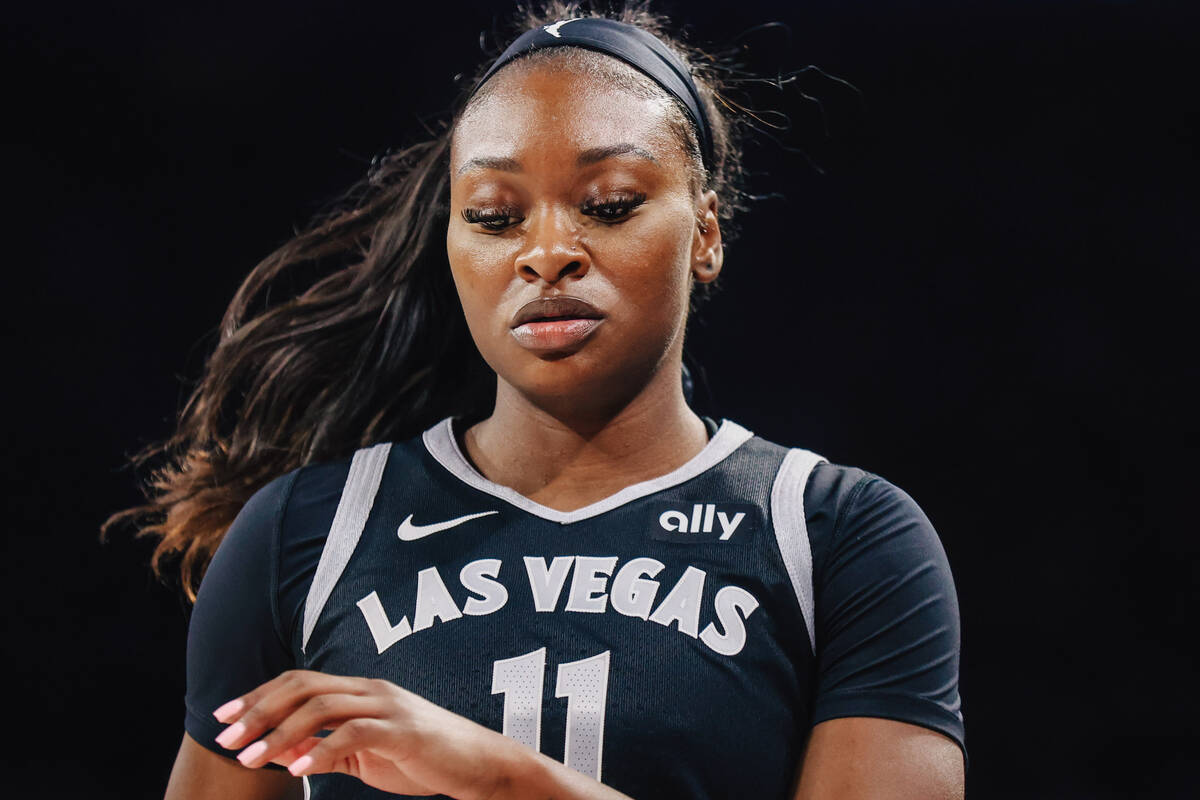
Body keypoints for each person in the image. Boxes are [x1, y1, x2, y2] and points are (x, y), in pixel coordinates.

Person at [107, 2, 966, 798]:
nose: (547, 252)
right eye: (492, 216)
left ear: (704, 232)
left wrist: (500, 778)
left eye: (609, 204)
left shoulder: (839, 537)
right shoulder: (303, 533)